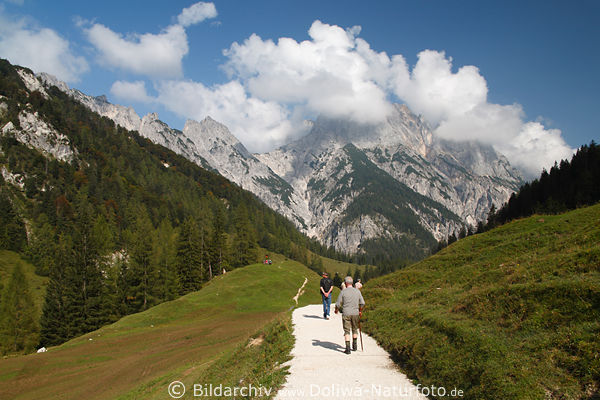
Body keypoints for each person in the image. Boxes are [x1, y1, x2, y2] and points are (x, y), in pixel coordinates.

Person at [335, 276, 365, 354]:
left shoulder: (343, 292)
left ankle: (347, 349)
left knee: (347, 330)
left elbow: (338, 303)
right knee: (355, 329)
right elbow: (362, 303)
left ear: (345, 283)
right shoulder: (357, 291)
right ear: (352, 283)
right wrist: (360, 310)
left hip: (346, 313)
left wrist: (336, 310)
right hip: (355, 313)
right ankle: (354, 346)